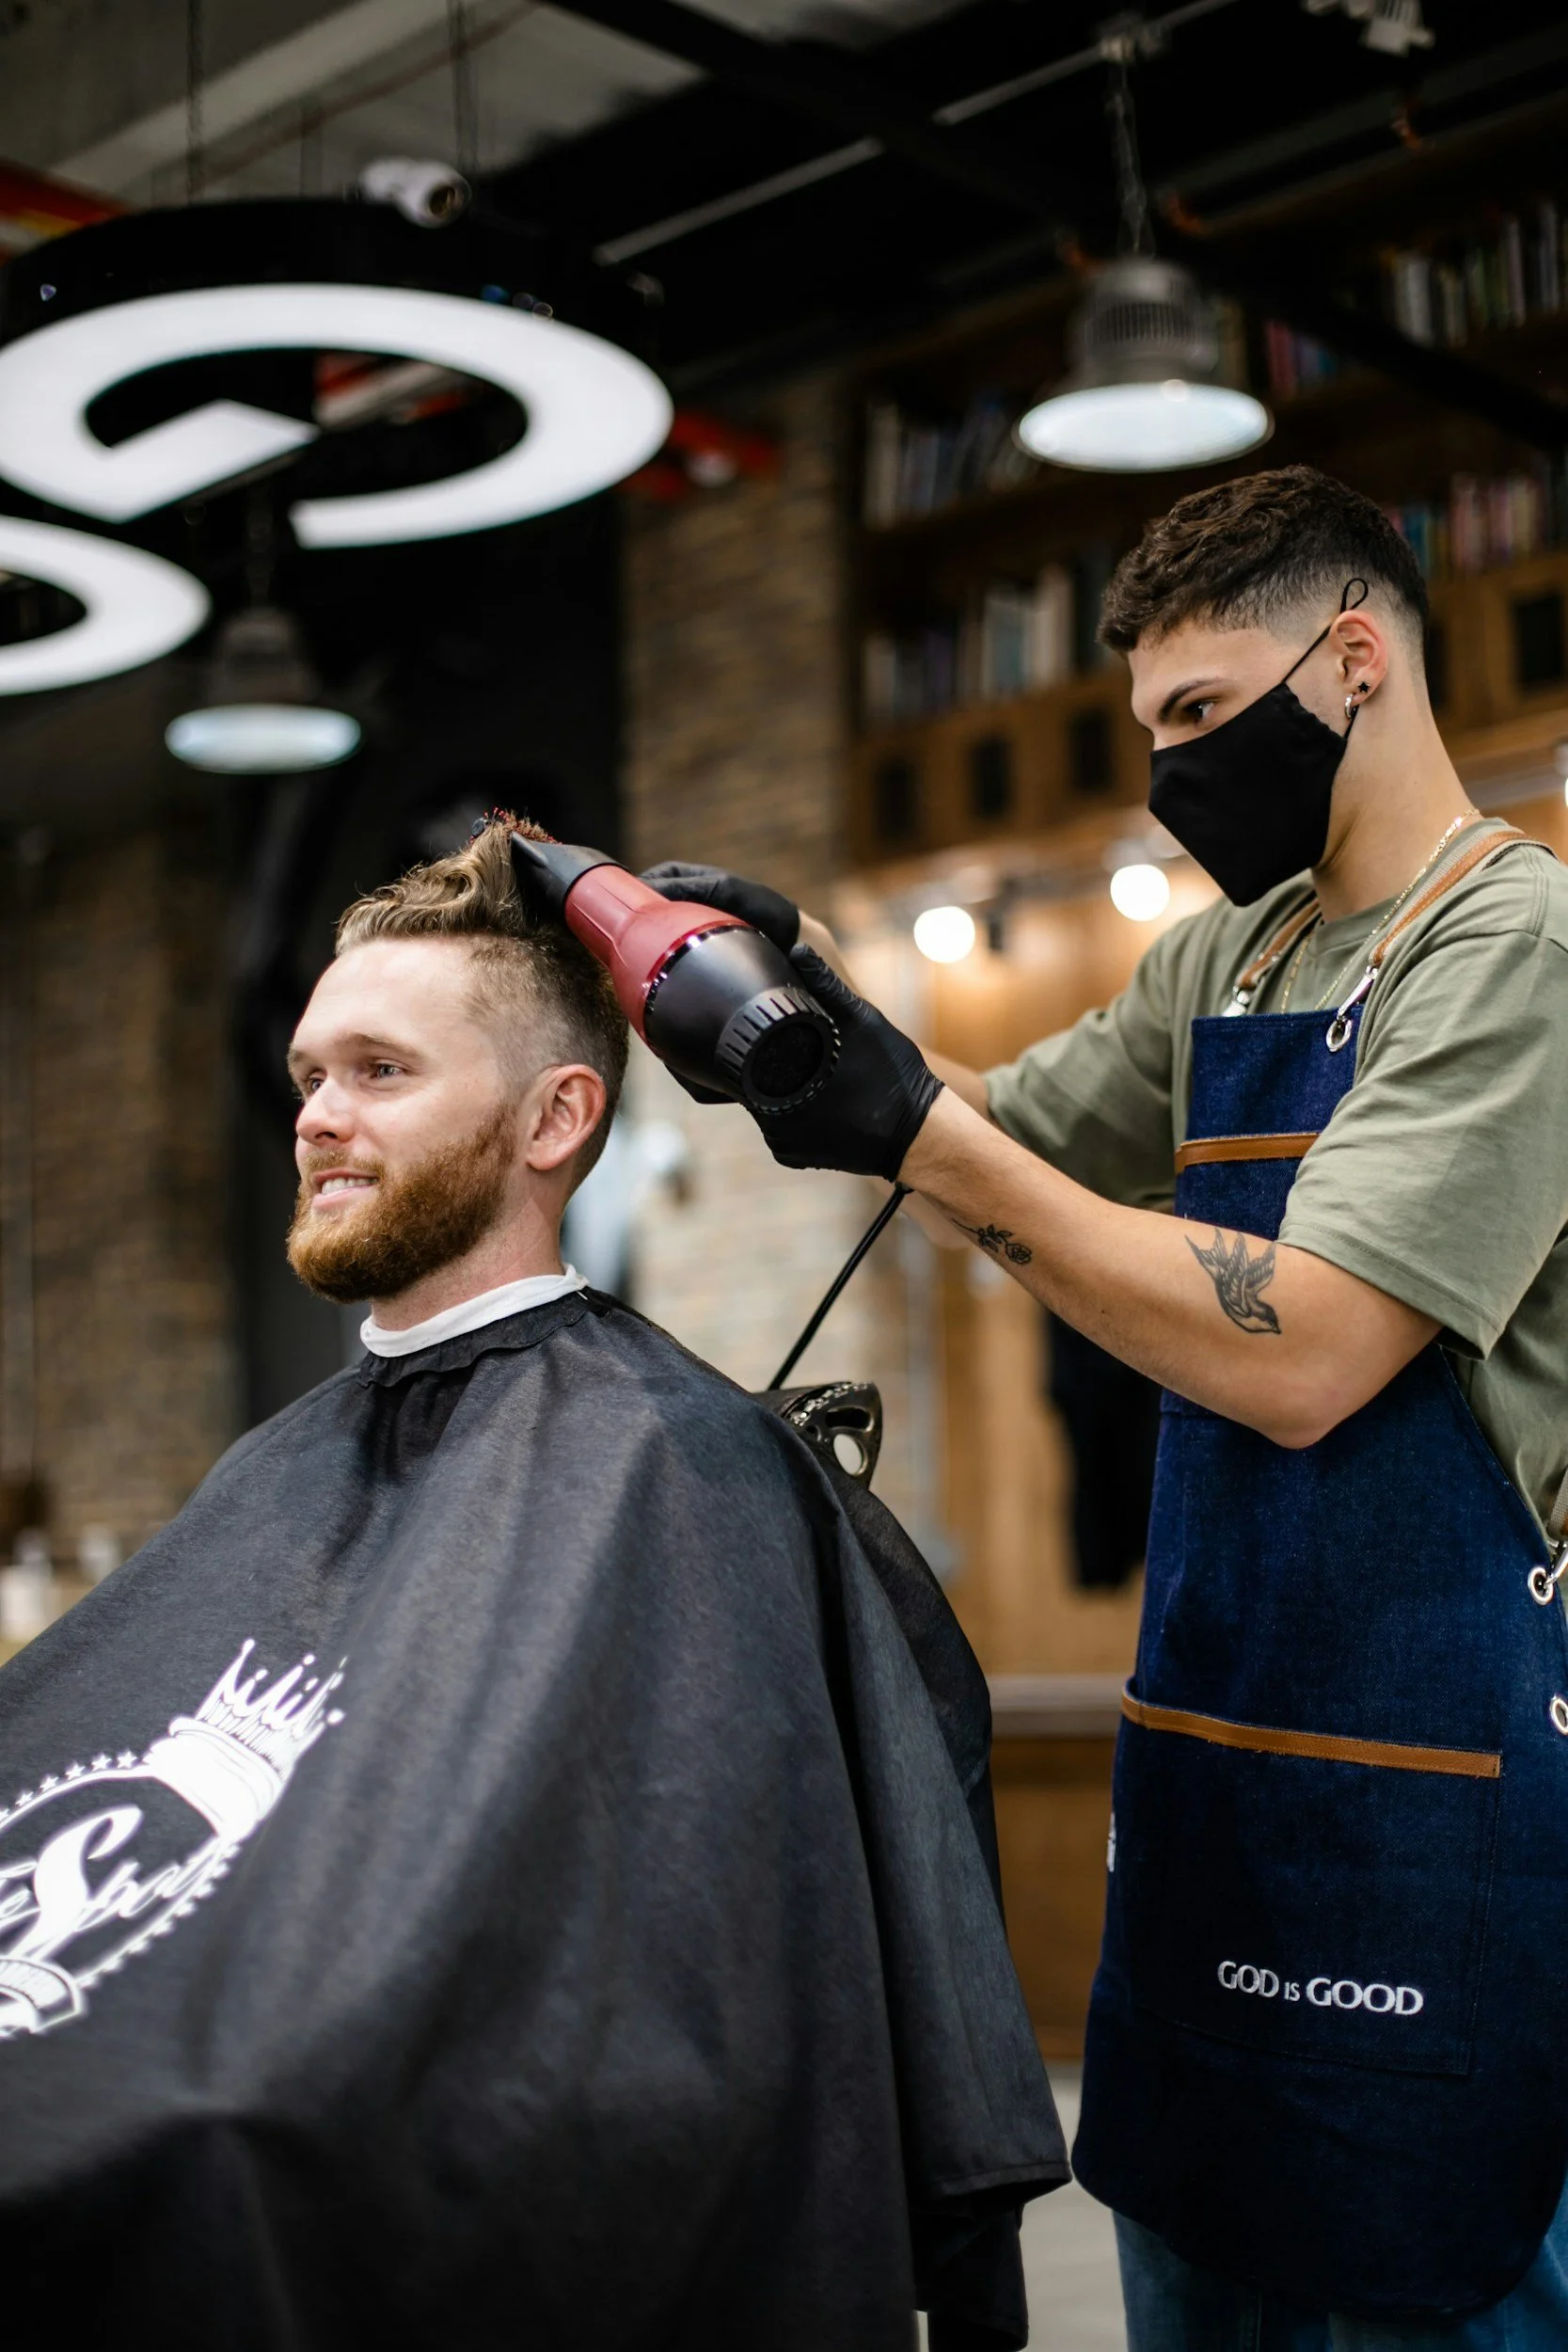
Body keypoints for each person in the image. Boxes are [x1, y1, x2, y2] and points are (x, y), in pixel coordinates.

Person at [642, 467, 1568, 2348]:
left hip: (1430, 1796)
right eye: (1146, 731)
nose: (1167, 773)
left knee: (1420, 2276)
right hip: (1207, 1772)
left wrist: (919, 1139)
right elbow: (982, 1126)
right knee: (1195, 2254)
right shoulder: (1225, 956)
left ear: (1357, 657)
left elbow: (1303, 1348)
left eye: (1201, 718)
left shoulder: (1516, 949)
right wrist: (800, 998)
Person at [0, 818, 1065, 2349]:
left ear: (558, 1116)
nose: (316, 1117)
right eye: (309, 1075)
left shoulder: (679, 1472)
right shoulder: (272, 1472)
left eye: (379, 1073)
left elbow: (678, 2012)